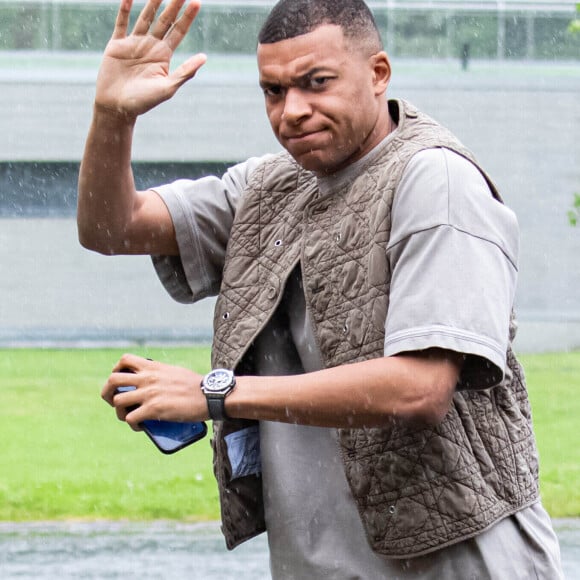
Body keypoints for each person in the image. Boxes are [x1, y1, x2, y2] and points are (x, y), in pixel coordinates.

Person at [78, 0, 564, 577]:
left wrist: (214, 394)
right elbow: (112, 228)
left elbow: (418, 388)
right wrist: (113, 115)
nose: (293, 111)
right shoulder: (268, 188)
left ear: (378, 73)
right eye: (274, 91)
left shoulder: (437, 182)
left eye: (316, 83)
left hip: (462, 563)